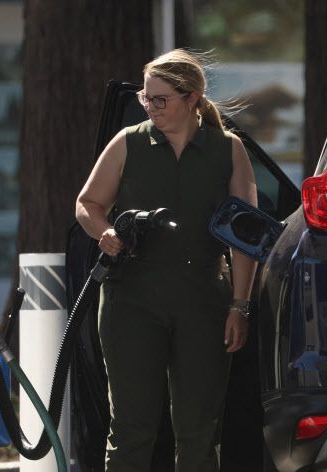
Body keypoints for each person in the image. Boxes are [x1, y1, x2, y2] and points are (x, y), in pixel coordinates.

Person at [75, 48, 258, 472]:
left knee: (199, 431)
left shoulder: (228, 149)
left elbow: (246, 235)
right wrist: (105, 232)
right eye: (146, 98)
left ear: (192, 98)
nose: (150, 107)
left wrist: (240, 305)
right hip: (131, 300)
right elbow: (87, 204)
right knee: (131, 428)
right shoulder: (128, 143)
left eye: (160, 99)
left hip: (203, 302)